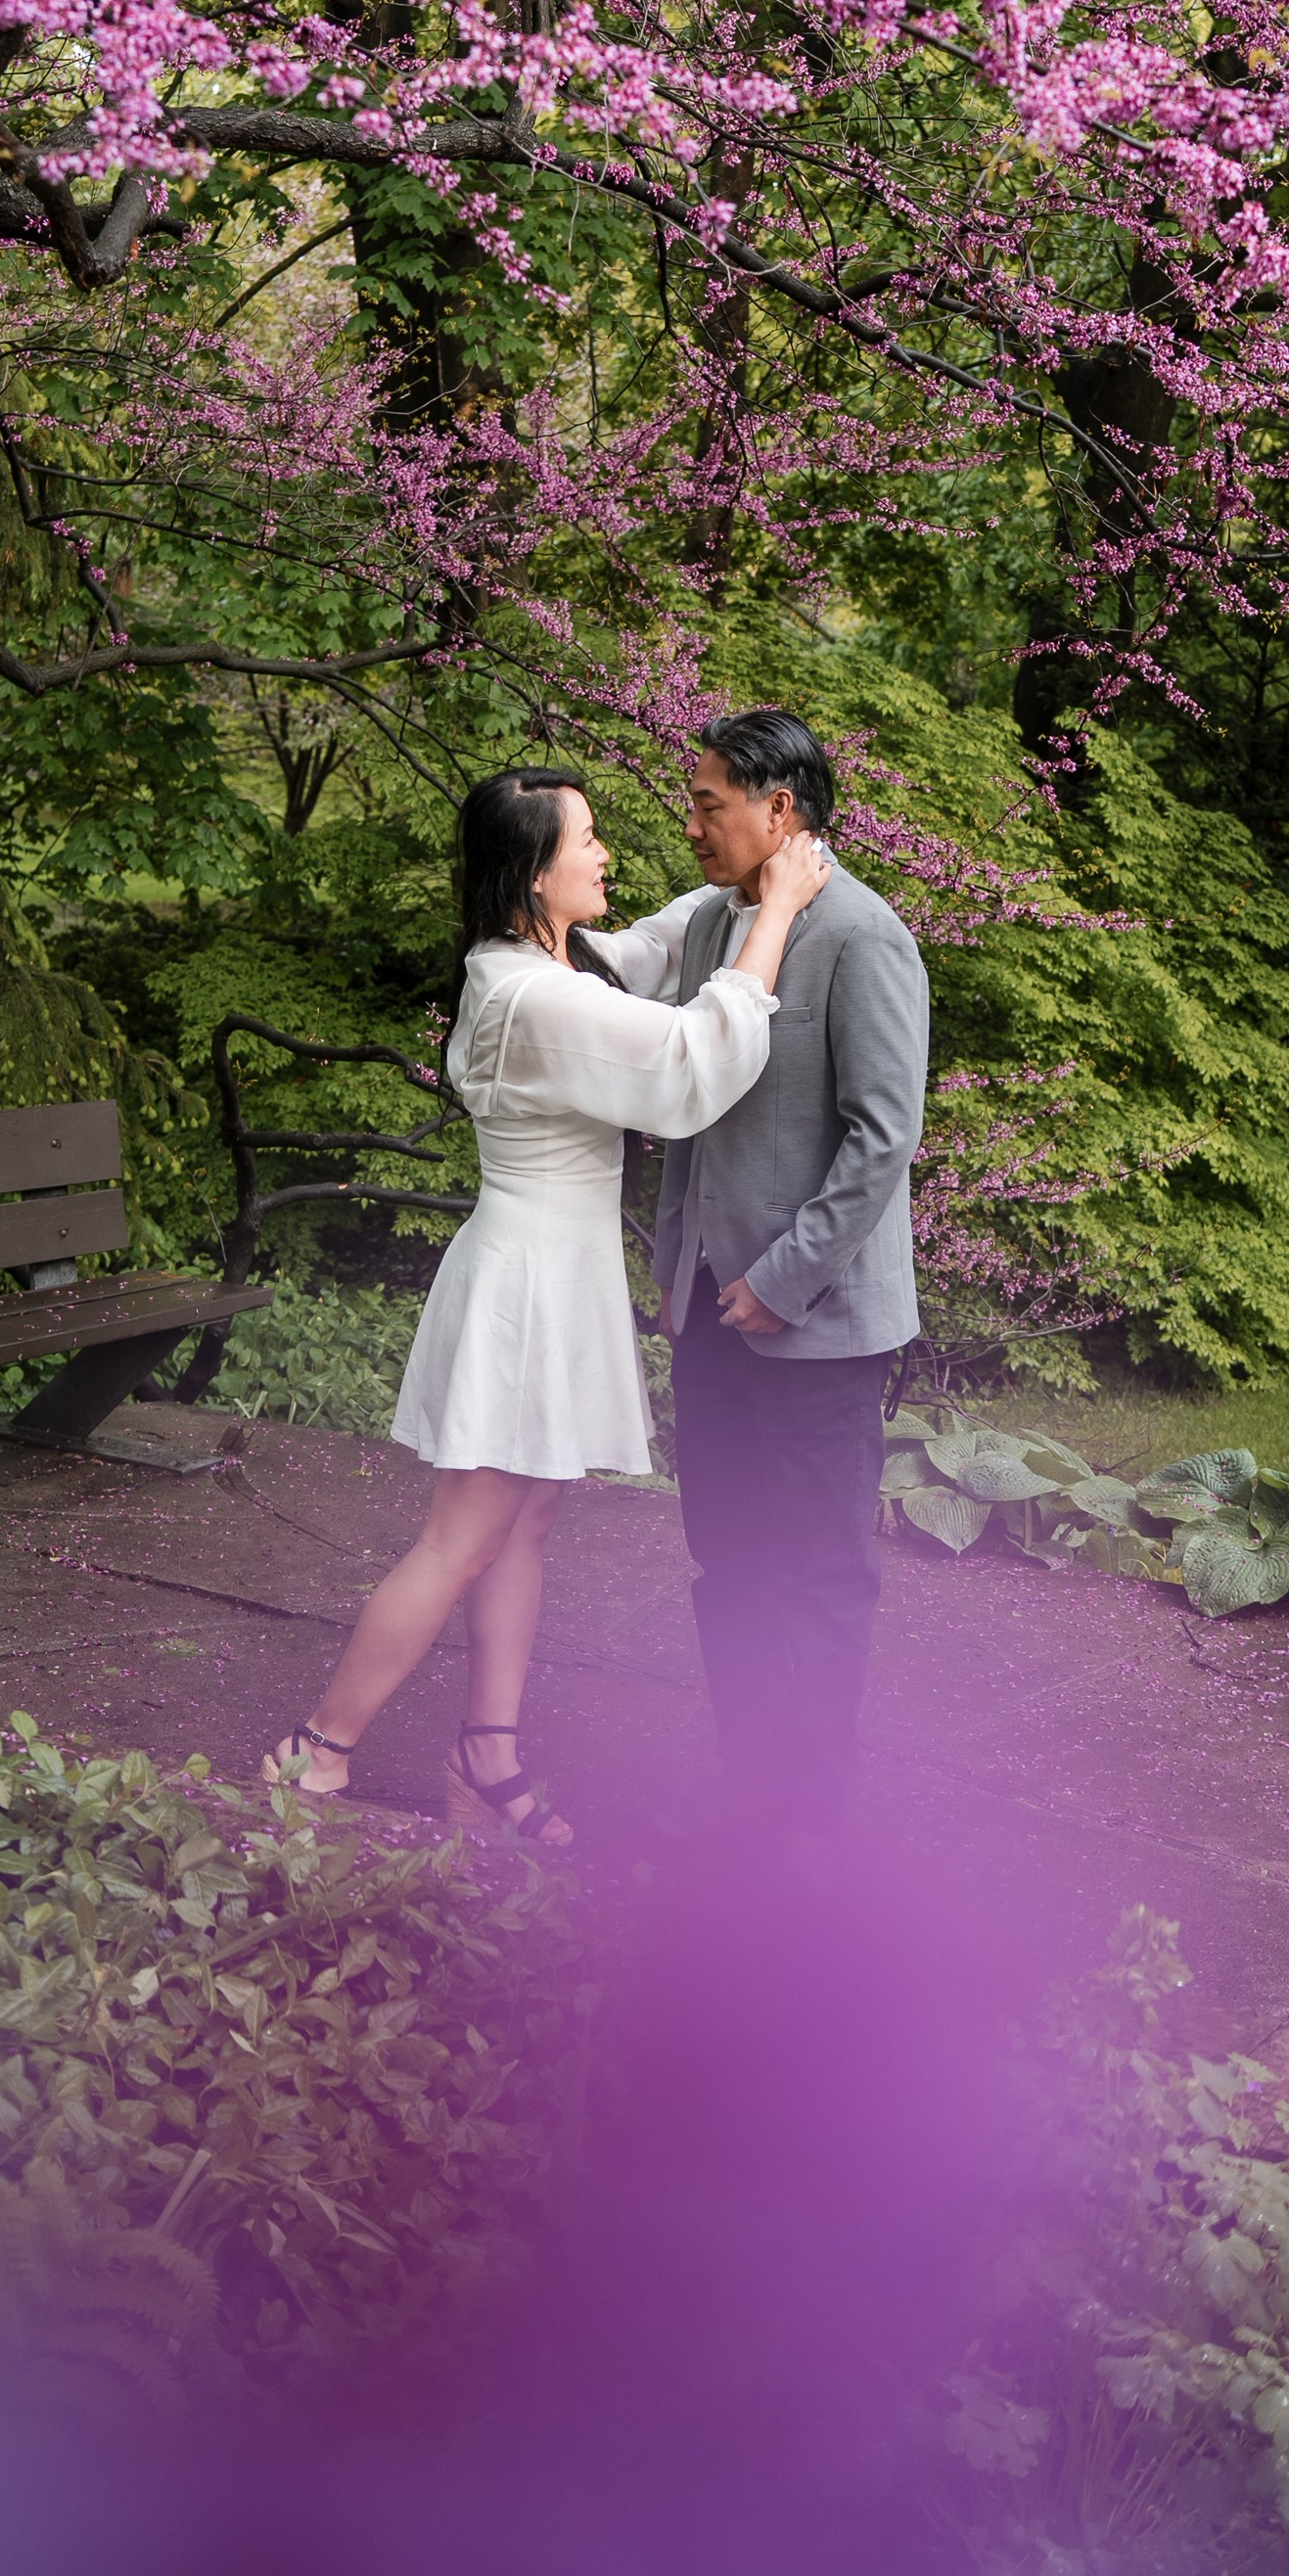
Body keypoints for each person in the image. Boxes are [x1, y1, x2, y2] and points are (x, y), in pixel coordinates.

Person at [263, 765, 830, 1847]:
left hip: (555, 1274)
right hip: (524, 1284)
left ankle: (487, 1757)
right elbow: (688, 1060)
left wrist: (751, 877)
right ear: (533, 873)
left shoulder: (554, 961)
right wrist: (780, 912)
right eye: (586, 839)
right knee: (460, 1538)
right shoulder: (531, 997)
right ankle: (316, 1749)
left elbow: (658, 942)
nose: (606, 852)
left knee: (521, 1529)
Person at [649, 711, 930, 1847]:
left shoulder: (862, 936)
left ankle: (806, 1821)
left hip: (815, 1324)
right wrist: (677, 1265)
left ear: (779, 809)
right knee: (725, 1555)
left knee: (816, 1571)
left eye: (708, 802)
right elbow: (692, 1107)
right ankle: (746, 1782)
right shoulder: (711, 924)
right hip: (708, 1311)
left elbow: (882, 1135)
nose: (692, 823)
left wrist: (782, 1278)